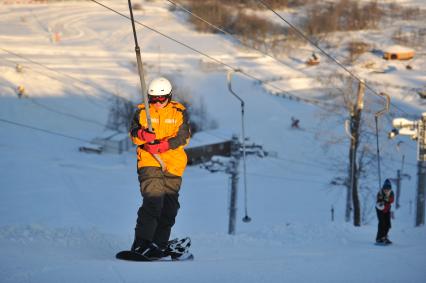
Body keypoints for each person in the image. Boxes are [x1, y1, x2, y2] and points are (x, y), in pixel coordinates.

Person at [128, 77, 191, 260]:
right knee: (154, 199)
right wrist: (142, 134)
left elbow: (184, 136)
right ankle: (141, 242)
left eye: (161, 99)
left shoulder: (178, 112)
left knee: (170, 207)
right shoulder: (142, 112)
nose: (156, 103)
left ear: (169, 97)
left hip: (173, 163)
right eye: (152, 99)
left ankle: (158, 244)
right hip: (149, 160)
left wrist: (164, 146)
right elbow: (133, 134)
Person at [375, 179, 394, 244]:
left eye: (388, 189)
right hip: (380, 210)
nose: (386, 190)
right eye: (385, 189)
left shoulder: (391, 193)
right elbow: (378, 200)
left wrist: (385, 198)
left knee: (388, 224)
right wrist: (380, 199)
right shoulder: (380, 192)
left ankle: (385, 237)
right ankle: (379, 238)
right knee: (382, 223)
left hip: (387, 210)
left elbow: (391, 200)